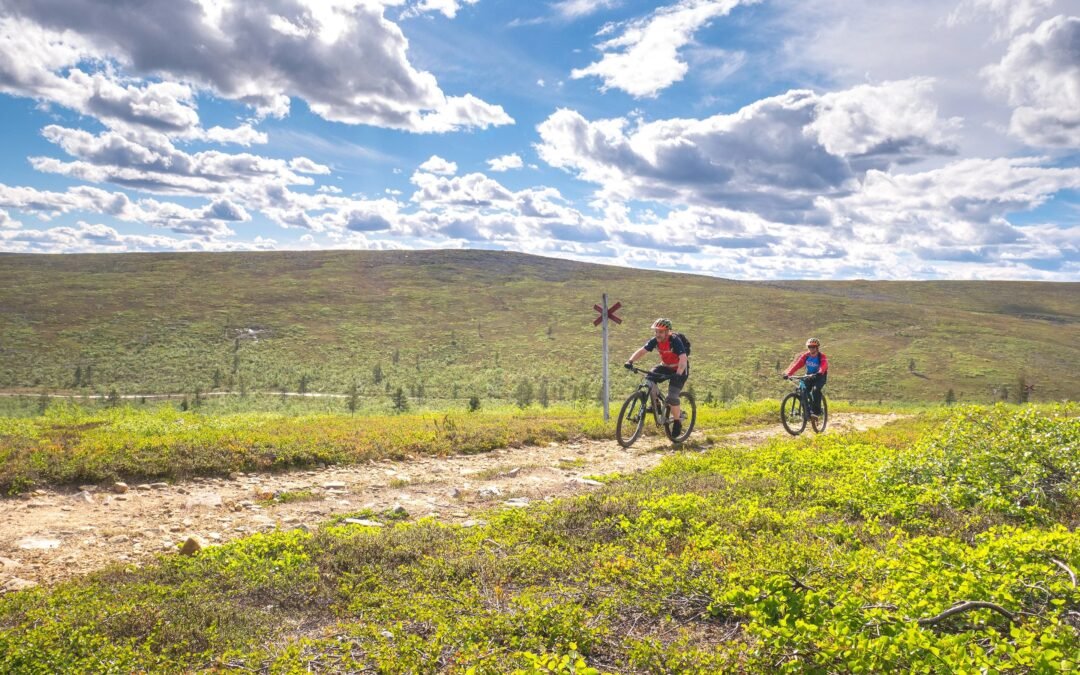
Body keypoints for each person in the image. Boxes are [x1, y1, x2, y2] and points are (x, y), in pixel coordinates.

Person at [624, 318, 689, 436]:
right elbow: (642, 351)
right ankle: (657, 405)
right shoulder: (655, 341)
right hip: (665, 366)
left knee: (672, 396)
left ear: (667, 332)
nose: (658, 334)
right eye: (656, 331)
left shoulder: (674, 340)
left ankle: (677, 422)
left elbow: (683, 359)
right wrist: (630, 361)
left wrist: (678, 374)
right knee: (649, 378)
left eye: (661, 332)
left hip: (679, 368)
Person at [784, 338, 828, 418]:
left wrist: (819, 372)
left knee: (815, 390)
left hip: (820, 376)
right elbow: (797, 365)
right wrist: (788, 373)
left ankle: (817, 411)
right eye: (809, 347)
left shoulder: (821, 356)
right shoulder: (806, 356)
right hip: (809, 375)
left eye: (813, 347)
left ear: (817, 347)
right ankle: (808, 411)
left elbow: (824, 365)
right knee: (804, 390)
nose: (811, 349)